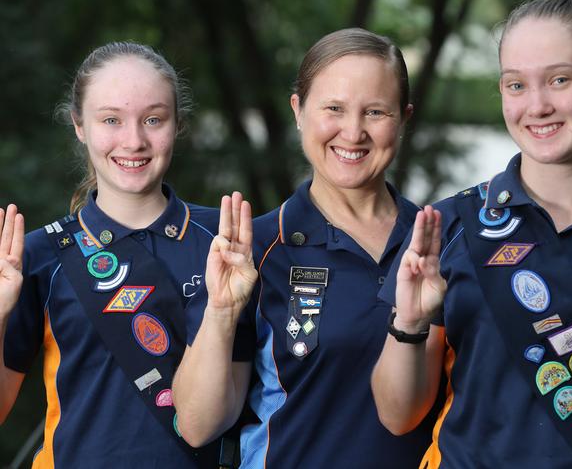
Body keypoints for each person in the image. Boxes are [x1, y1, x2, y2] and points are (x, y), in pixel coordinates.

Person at [372, 0, 572, 468]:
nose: (536, 105)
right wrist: (411, 324)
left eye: (560, 80)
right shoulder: (448, 226)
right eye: (516, 84)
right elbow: (398, 416)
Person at [173, 28, 435, 467]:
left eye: (375, 111)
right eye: (333, 108)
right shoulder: (254, 250)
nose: (353, 132)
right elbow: (199, 425)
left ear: (404, 118)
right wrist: (221, 310)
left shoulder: (439, 244)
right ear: (298, 110)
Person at [0, 42, 220, 467]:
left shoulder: (224, 241)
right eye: (111, 120)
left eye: (153, 119)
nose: (134, 140)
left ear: (177, 125)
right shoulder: (37, 255)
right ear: (79, 125)